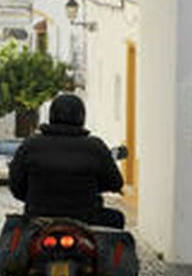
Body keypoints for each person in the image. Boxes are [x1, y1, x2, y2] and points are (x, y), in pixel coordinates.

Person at [8, 93, 125, 228]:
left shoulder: (30, 144)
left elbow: (16, 186)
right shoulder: (95, 147)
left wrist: (35, 200)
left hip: (38, 217)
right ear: (81, 117)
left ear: (52, 115)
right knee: (117, 218)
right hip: (87, 217)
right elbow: (115, 182)